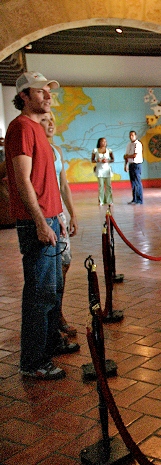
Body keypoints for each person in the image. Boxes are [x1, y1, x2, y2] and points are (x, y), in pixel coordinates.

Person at [5, 71, 79, 381]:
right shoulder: (22, 127)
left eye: (49, 92)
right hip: (37, 222)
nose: (48, 97)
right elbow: (22, 180)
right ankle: (33, 361)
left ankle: (49, 347)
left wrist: (58, 220)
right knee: (39, 293)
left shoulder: (36, 129)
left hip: (51, 219)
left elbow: (50, 183)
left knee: (52, 289)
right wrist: (39, 222)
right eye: (41, 92)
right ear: (24, 95)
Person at [40, 112, 79, 338]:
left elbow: (63, 185)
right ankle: (51, 321)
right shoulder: (34, 150)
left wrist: (72, 214)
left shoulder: (57, 151)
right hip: (46, 215)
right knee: (50, 271)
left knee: (64, 264)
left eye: (53, 119)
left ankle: (58, 314)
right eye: (46, 120)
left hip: (59, 214)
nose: (51, 123)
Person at [92, 137, 114, 206]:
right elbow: (92, 160)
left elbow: (112, 159)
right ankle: (101, 200)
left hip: (107, 170)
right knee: (101, 186)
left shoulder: (109, 150)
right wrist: (97, 160)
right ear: (99, 142)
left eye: (105, 141)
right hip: (99, 170)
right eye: (102, 141)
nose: (104, 143)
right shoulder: (95, 150)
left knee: (108, 186)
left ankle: (109, 200)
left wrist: (107, 161)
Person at [124, 130, 143, 204]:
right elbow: (126, 156)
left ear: (136, 136)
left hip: (137, 164)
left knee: (137, 182)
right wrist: (125, 165)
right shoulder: (129, 144)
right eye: (130, 135)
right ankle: (134, 199)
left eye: (132, 135)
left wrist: (127, 156)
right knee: (133, 183)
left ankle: (139, 199)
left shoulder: (138, 144)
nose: (131, 137)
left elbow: (134, 155)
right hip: (131, 164)